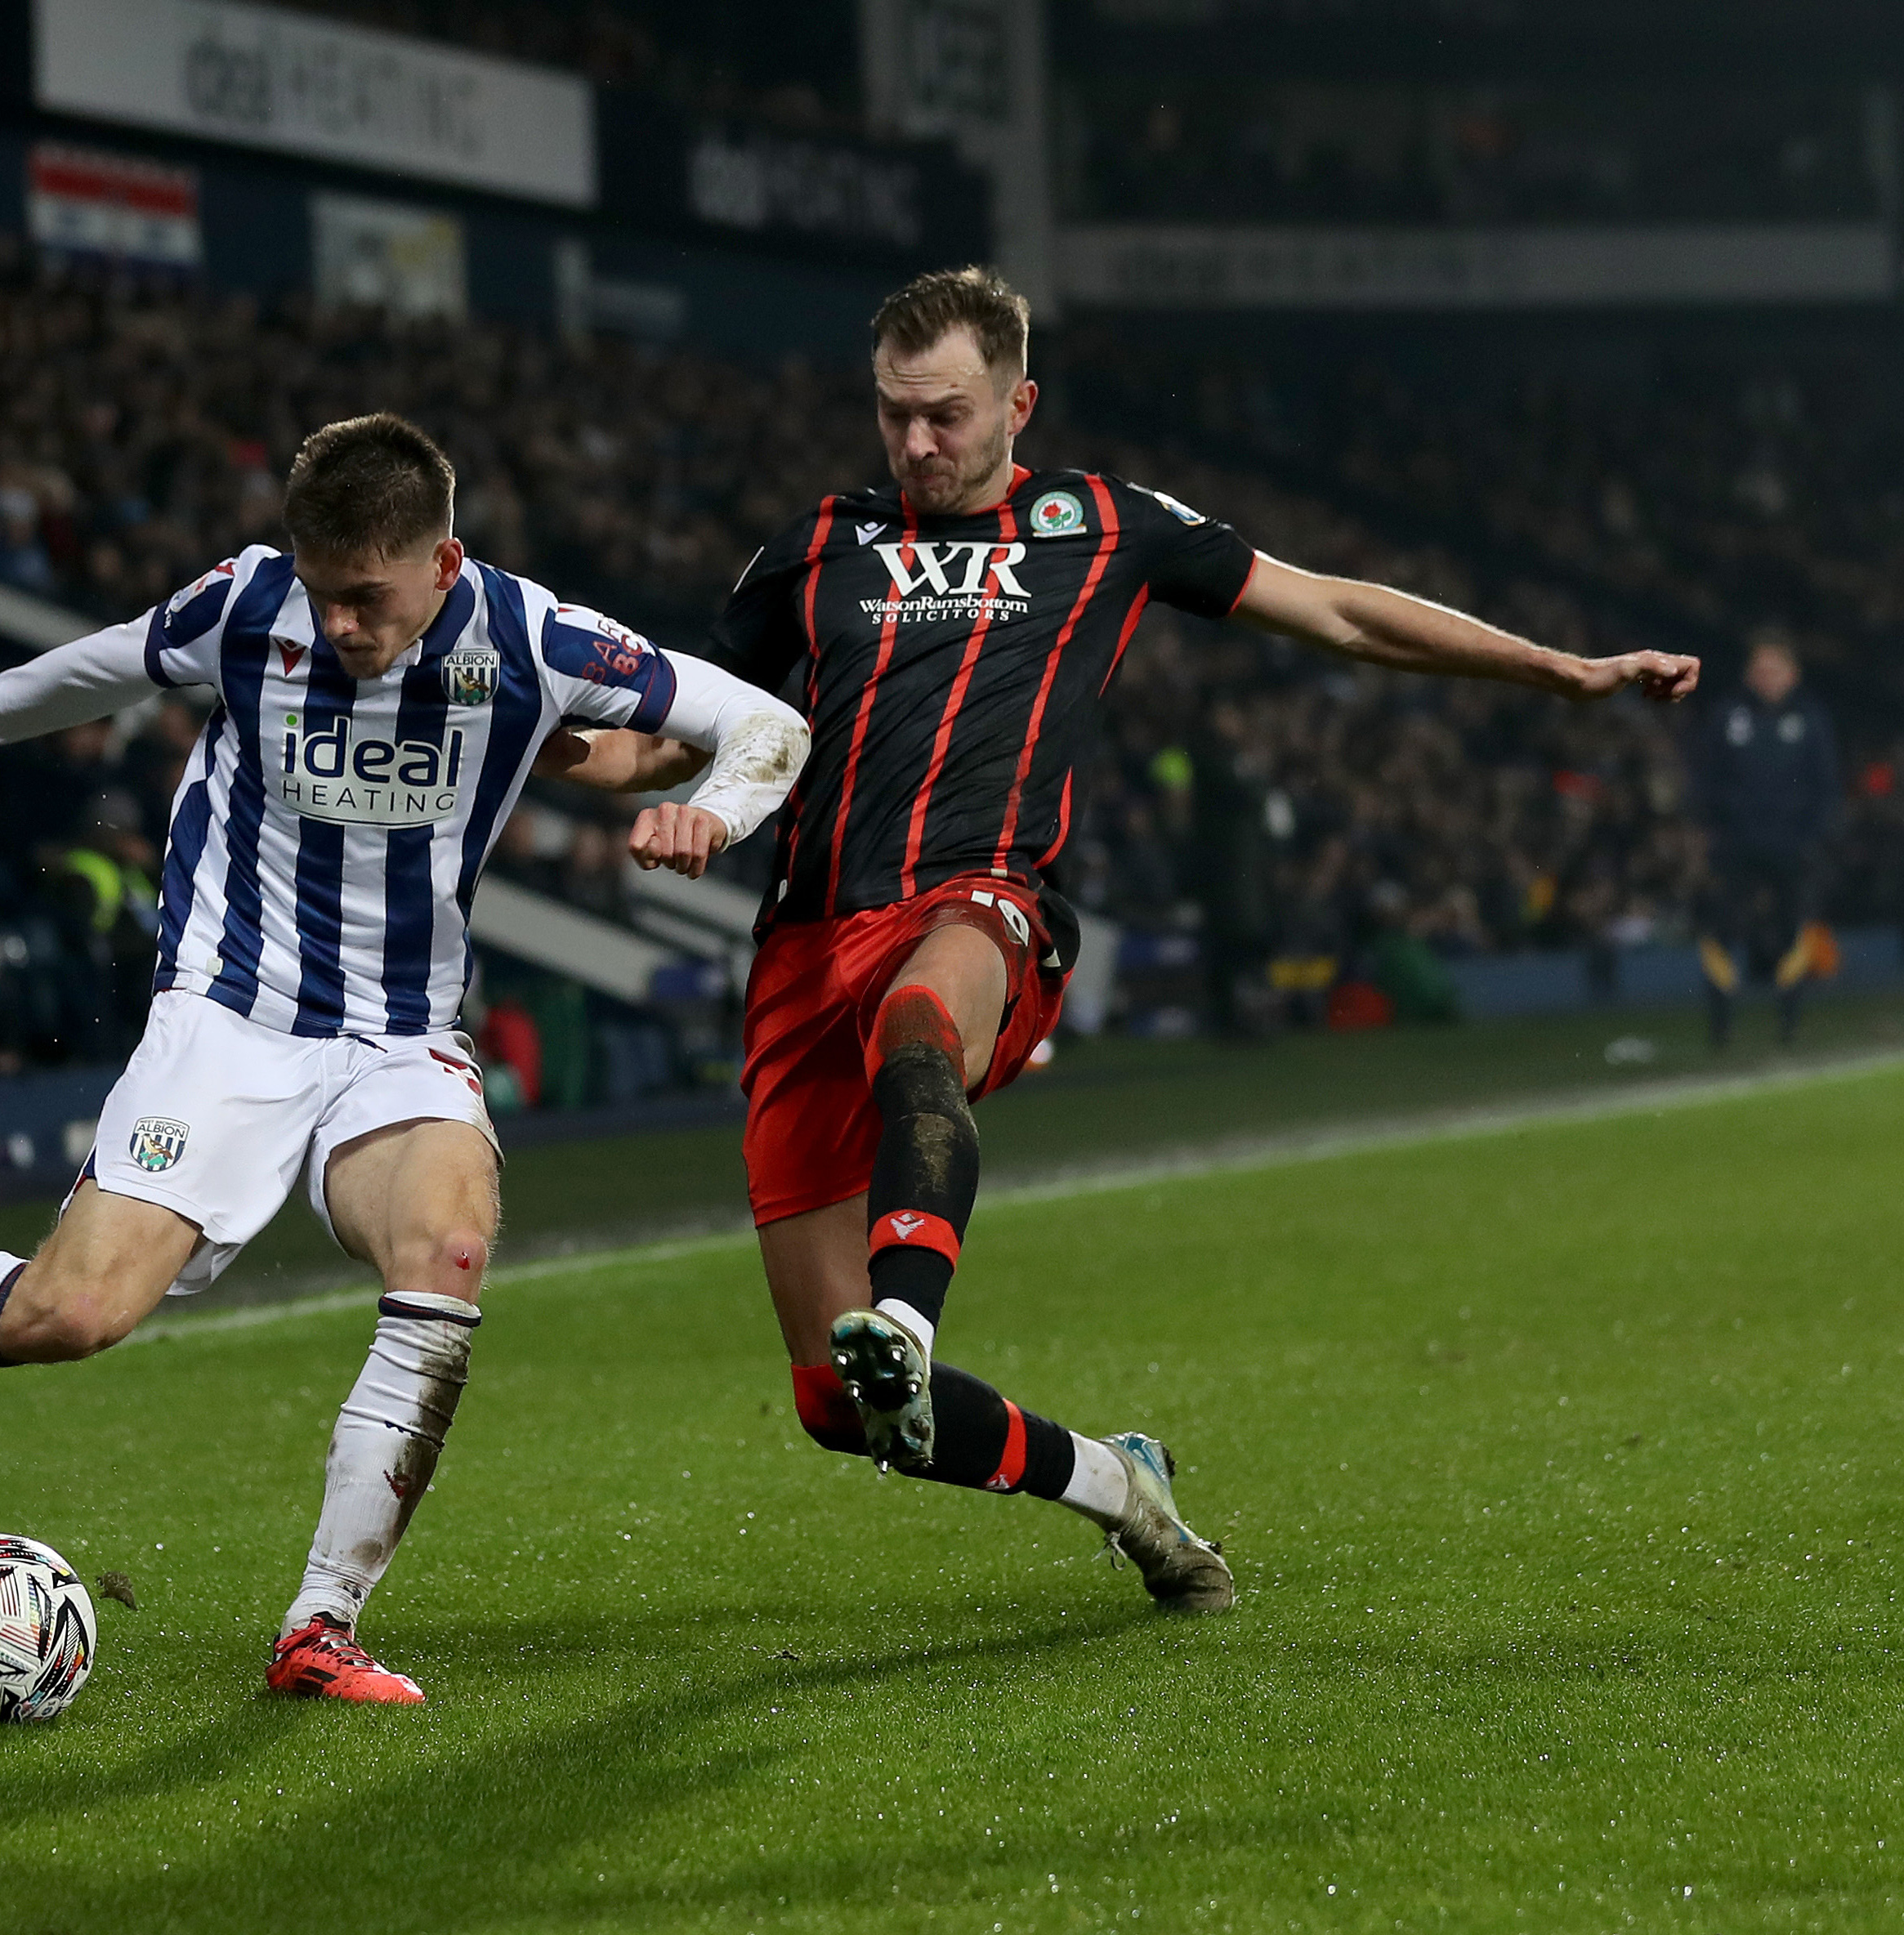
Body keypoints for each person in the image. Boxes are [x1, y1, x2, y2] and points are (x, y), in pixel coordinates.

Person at [0, 412, 807, 1705]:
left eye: (366, 598)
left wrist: (709, 810)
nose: (337, 622)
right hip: (230, 1018)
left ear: (442, 564)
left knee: (445, 1249)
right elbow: (96, 667)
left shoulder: (531, 636)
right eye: (322, 589)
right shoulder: (249, 603)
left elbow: (766, 727)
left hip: (401, 1037)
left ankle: (317, 1628)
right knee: (70, 1315)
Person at [556, 267, 1698, 1611]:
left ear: (1016, 402)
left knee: (921, 1029)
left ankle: (907, 1317)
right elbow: (673, 731)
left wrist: (1556, 669)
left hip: (983, 906)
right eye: (893, 417)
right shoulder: (814, 547)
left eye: (945, 415)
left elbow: (1332, 607)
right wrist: (561, 748)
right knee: (834, 1406)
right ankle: (1119, 1487)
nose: (916, 445)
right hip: (805, 947)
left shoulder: (1099, 523)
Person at [1691, 632, 1841, 1047]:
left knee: (1792, 931)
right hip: (1736, 845)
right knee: (1720, 930)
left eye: (1774, 668)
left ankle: (1789, 1026)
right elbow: (1706, 775)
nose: (1766, 676)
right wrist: (1712, 826)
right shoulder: (1728, 715)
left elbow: (1825, 784)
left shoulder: (1810, 718)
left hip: (1791, 846)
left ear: (1793, 674)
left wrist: (1813, 835)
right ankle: (1719, 1029)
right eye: (1759, 668)